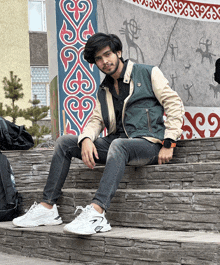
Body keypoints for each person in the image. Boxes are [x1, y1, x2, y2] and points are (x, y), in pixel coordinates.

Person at [12, 33, 184, 235]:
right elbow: (96, 120)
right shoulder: (104, 89)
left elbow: (174, 104)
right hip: (116, 146)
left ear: (118, 52)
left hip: (149, 143)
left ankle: (97, 213)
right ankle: (47, 207)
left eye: (107, 55)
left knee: (119, 144)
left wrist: (169, 142)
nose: (104, 62)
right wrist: (85, 139)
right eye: (99, 59)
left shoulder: (148, 73)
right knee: (65, 142)